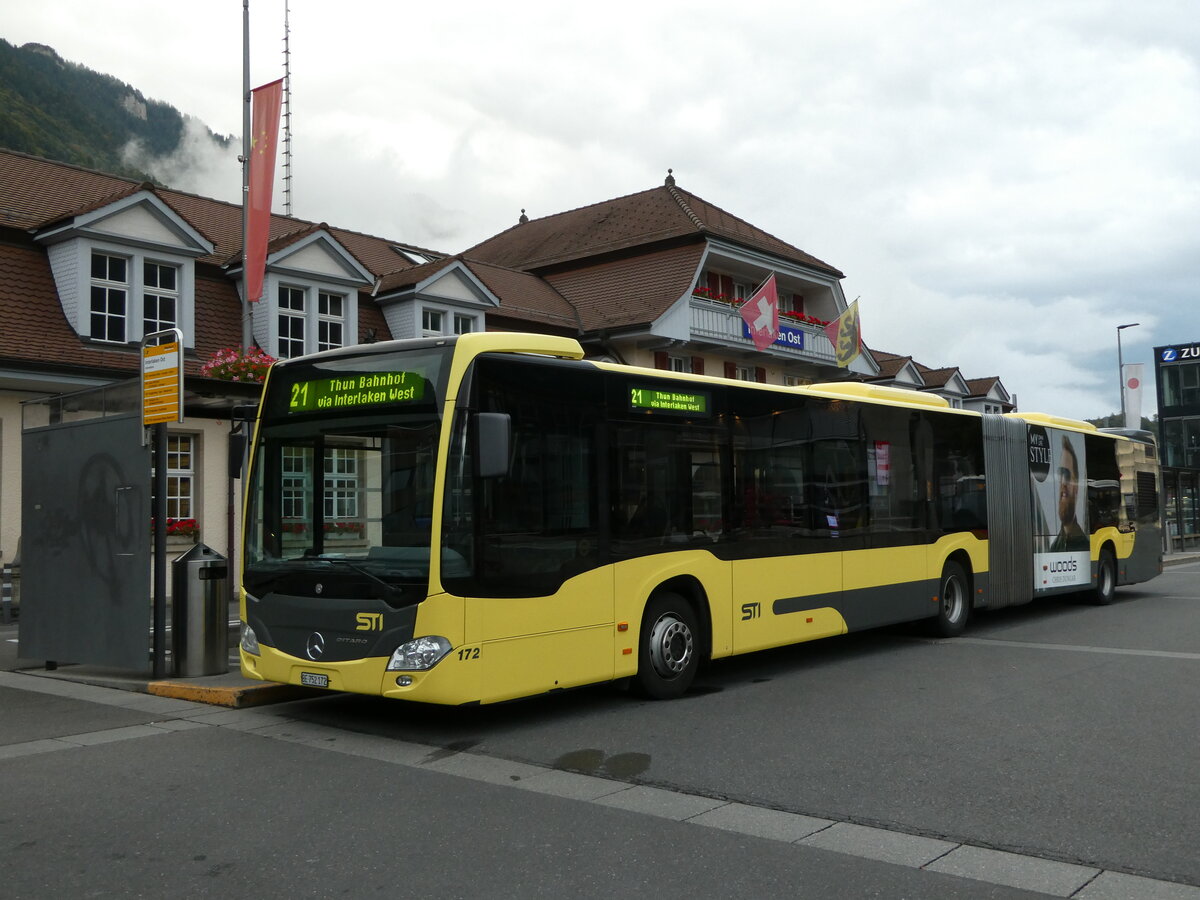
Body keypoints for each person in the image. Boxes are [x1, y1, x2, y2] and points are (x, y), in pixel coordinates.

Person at [1049, 437, 1089, 552]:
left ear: (1076, 487)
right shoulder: (1054, 547)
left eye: (1066, 475)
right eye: (1060, 474)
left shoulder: (1084, 544)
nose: (1063, 483)